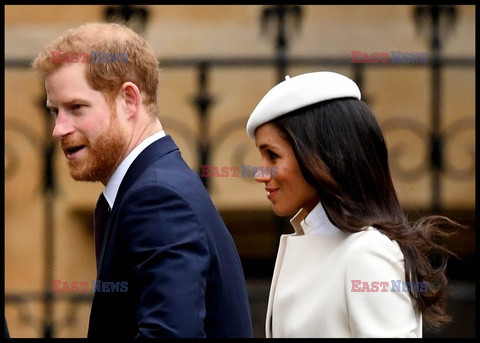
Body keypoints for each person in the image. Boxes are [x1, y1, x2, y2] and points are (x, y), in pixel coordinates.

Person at [33, 22, 253, 338]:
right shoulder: (148, 188)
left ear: (129, 100)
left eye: (76, 107)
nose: (59, 129)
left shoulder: (157, 198)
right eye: (55, 112)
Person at [246, 71, 460, 338]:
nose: (260, 174)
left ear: (320, 154)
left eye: (273, 155)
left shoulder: (366, 254)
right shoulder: (319, 243)